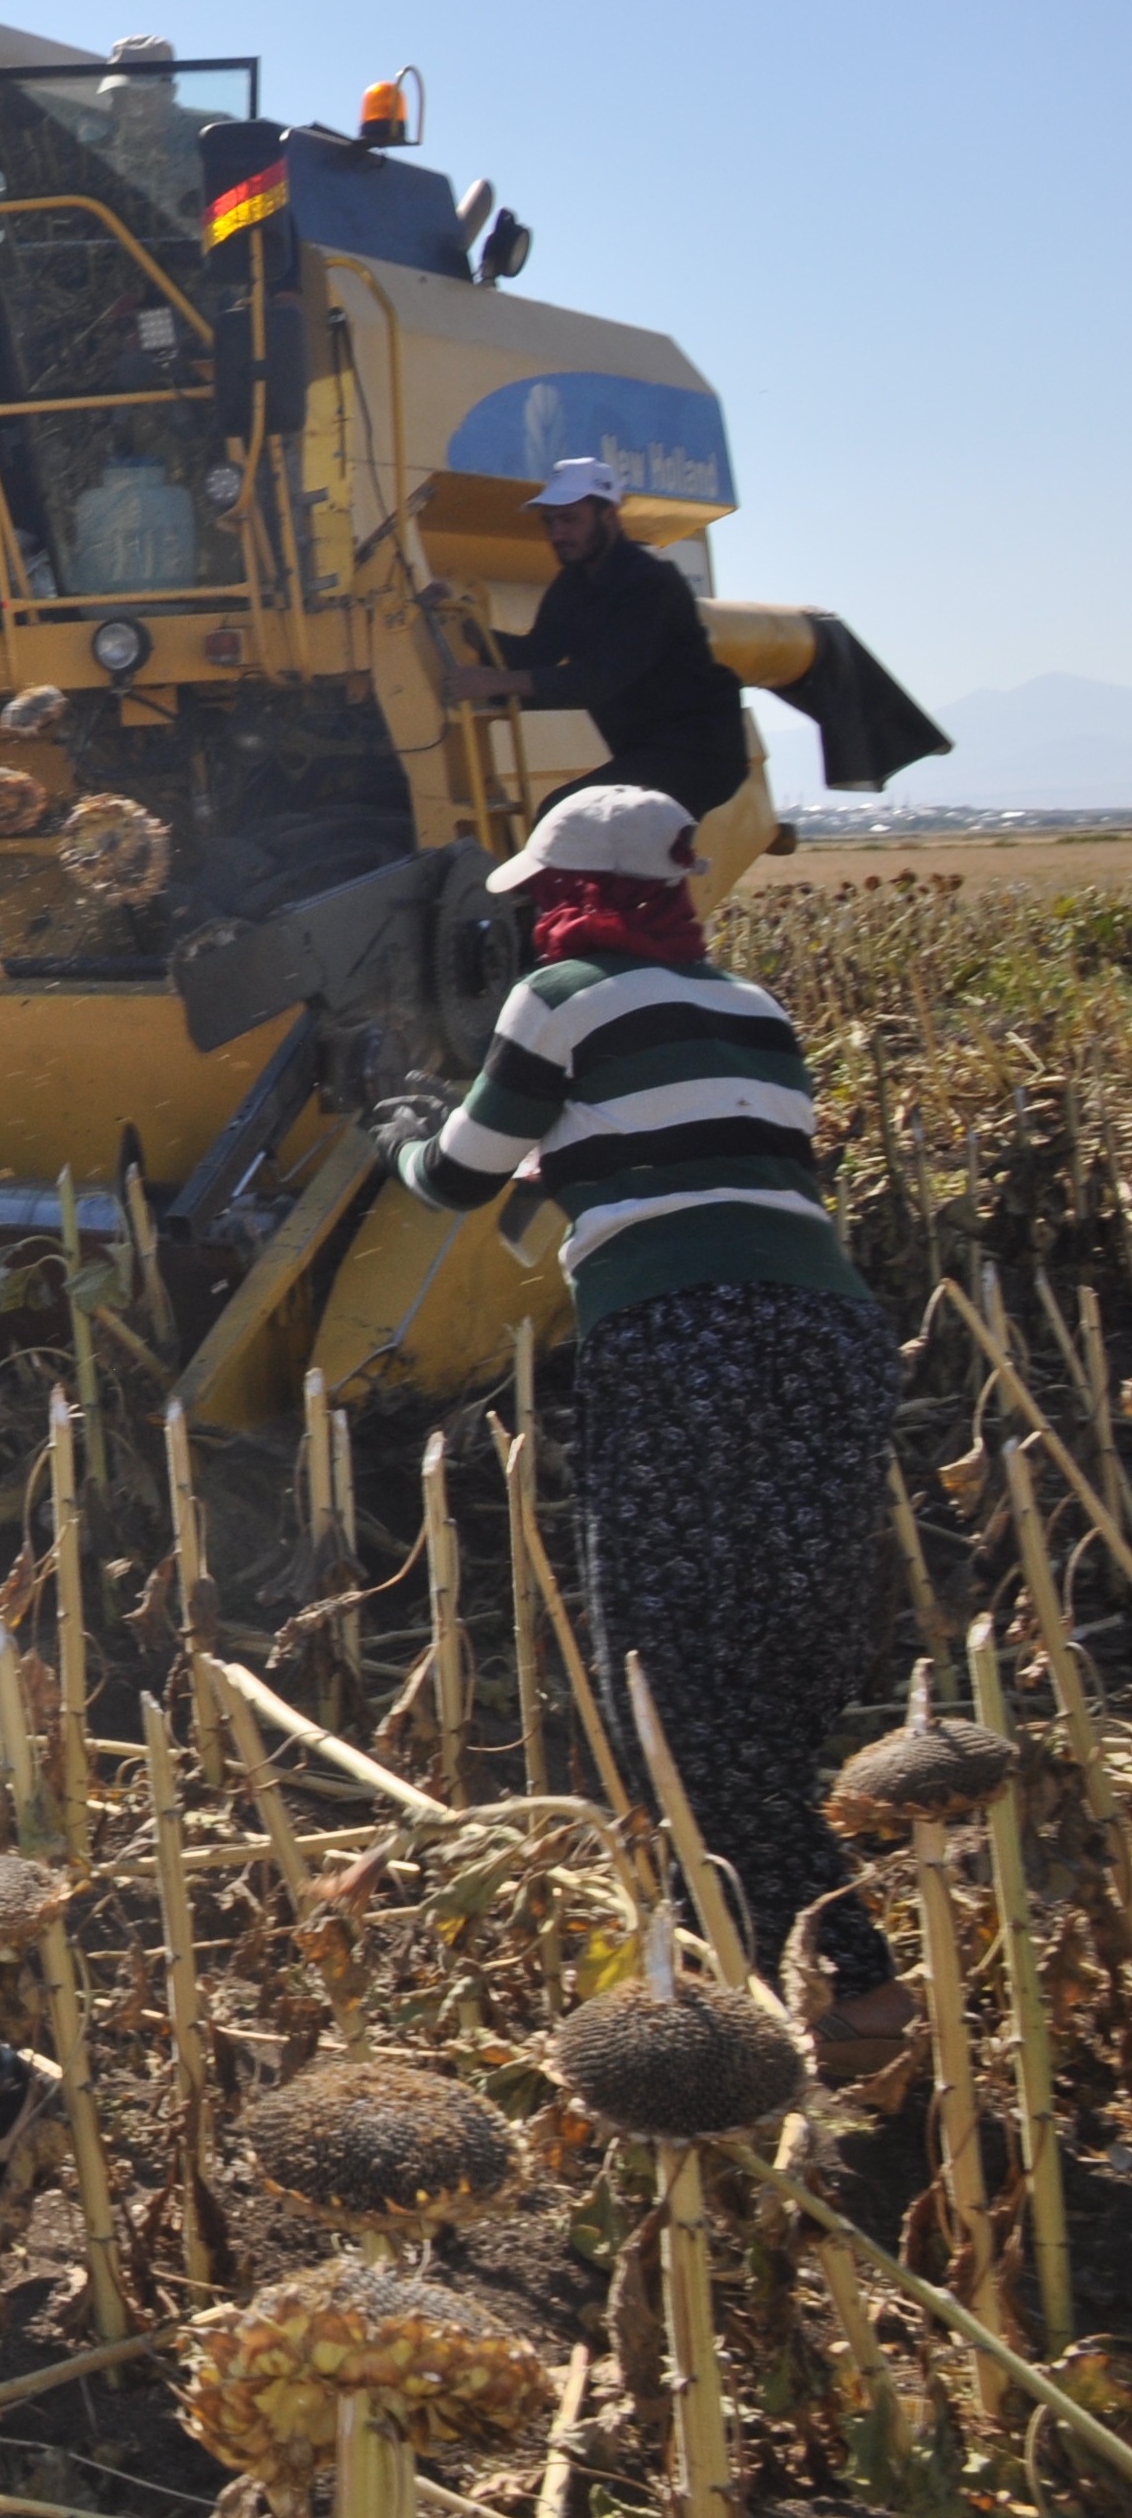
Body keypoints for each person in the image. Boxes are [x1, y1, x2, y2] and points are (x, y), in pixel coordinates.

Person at [386, 785, 902, 2038]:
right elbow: (727, 1167)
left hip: (684, 1336)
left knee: (663, 1681)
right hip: (828, 1333)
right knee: (775, 1664)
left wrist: (396, 1132)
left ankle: (827, 1991)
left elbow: (459, 1174)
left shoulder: (556, 999)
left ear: (571, 898)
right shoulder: (755, 1007)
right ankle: (796, 1989)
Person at [441, 457, 749, 818]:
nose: (556, 534)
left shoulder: (650, 583)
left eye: (569, 519)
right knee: (603, 840)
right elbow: (535, 654)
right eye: (550, 522)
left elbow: (599, 679)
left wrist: (494, 682)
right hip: (648, 751)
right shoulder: (573, 584)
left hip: (699, 753)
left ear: (610, 516)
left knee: (564, 817)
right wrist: (458, 620)